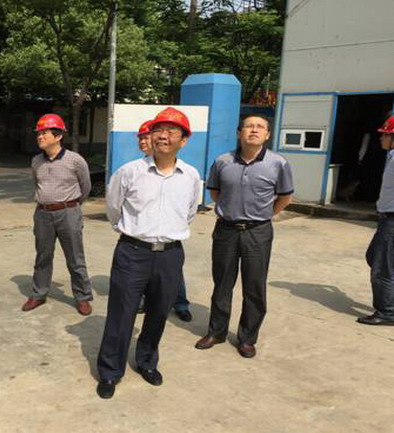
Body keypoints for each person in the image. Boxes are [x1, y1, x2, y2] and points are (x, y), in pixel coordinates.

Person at [96, 108, 201, 399]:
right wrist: (133, 232)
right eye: (158, 130)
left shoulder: (191, 176)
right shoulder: (129, 172)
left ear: (184, 140)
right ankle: (110, 371)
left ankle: (147, 361)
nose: (163, 136)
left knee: (158, 313)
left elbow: (189, 212)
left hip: (170, 254)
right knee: (121, 313)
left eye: (171, 131)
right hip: (133, 252)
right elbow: (113, 209)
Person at [196, 114, 293, 358]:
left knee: (254, 286)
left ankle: (247, 338)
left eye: (260, 127)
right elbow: (216, 193)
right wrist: (232, 211)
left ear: (267, 135)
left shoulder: (278, 163)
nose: (254, 130)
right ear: (239, 133)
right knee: (222, 284)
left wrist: (264, 215)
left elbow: (285, 197)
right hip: (226, 230)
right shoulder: (222, 161)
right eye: (249, 126)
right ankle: (216, 332)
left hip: (258, 232)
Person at [21, 114, 93, 315]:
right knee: (43, 256)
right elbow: (37, 184)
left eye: (44, 133)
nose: (40, 137)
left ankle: (82, 297)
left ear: (58, 136)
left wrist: (71, 206)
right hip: (43, 214)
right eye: (38, 133)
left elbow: (85, 187)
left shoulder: (75, 160)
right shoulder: (36, 161)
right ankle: (39, 293)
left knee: (75, 258)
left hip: (68, 212)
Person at [136, 120, 193, 321]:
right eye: (140, 138)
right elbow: (116, 207)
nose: (143, 141)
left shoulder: (185, 173)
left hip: (169, 237)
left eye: (145, 137)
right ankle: (143, 299)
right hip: (143, 237)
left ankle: (180, 303)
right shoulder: (136, 170)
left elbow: (190, 210)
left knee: (173, 274)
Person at [358, 115, 394, 326]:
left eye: (385, 135)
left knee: (382, 268)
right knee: (373, 256)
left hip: (392, 220)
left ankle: (387, 312)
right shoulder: (391, 156)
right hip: (386, 218)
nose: (381, 138)